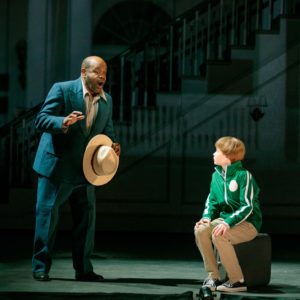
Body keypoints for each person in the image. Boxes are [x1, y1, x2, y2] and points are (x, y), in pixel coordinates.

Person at [32, 56, 121, 282]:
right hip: (57, 167)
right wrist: (63, 122)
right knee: (47, 218)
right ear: (84, 72)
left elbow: (106, 131)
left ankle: (83, 269)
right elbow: (41, 120)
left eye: (105, 73)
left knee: (86, 220)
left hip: (86, 170)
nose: (103, 76)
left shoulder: (106, 100)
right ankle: (40, 266)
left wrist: (112, 145)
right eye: (97, 72)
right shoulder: (62, 90)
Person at [194, 136, 262, 293]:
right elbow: (211, 201)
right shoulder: (215, 176)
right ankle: (213, 277)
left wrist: (227, 223)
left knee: (219, 235)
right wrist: (206, 217)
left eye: (217, 151)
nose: (213, 154)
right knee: (201, 230)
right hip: (225, 220)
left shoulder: (244, 176)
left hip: (248, 223)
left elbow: (247, 206)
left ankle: (237, 280)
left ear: (228, 156)